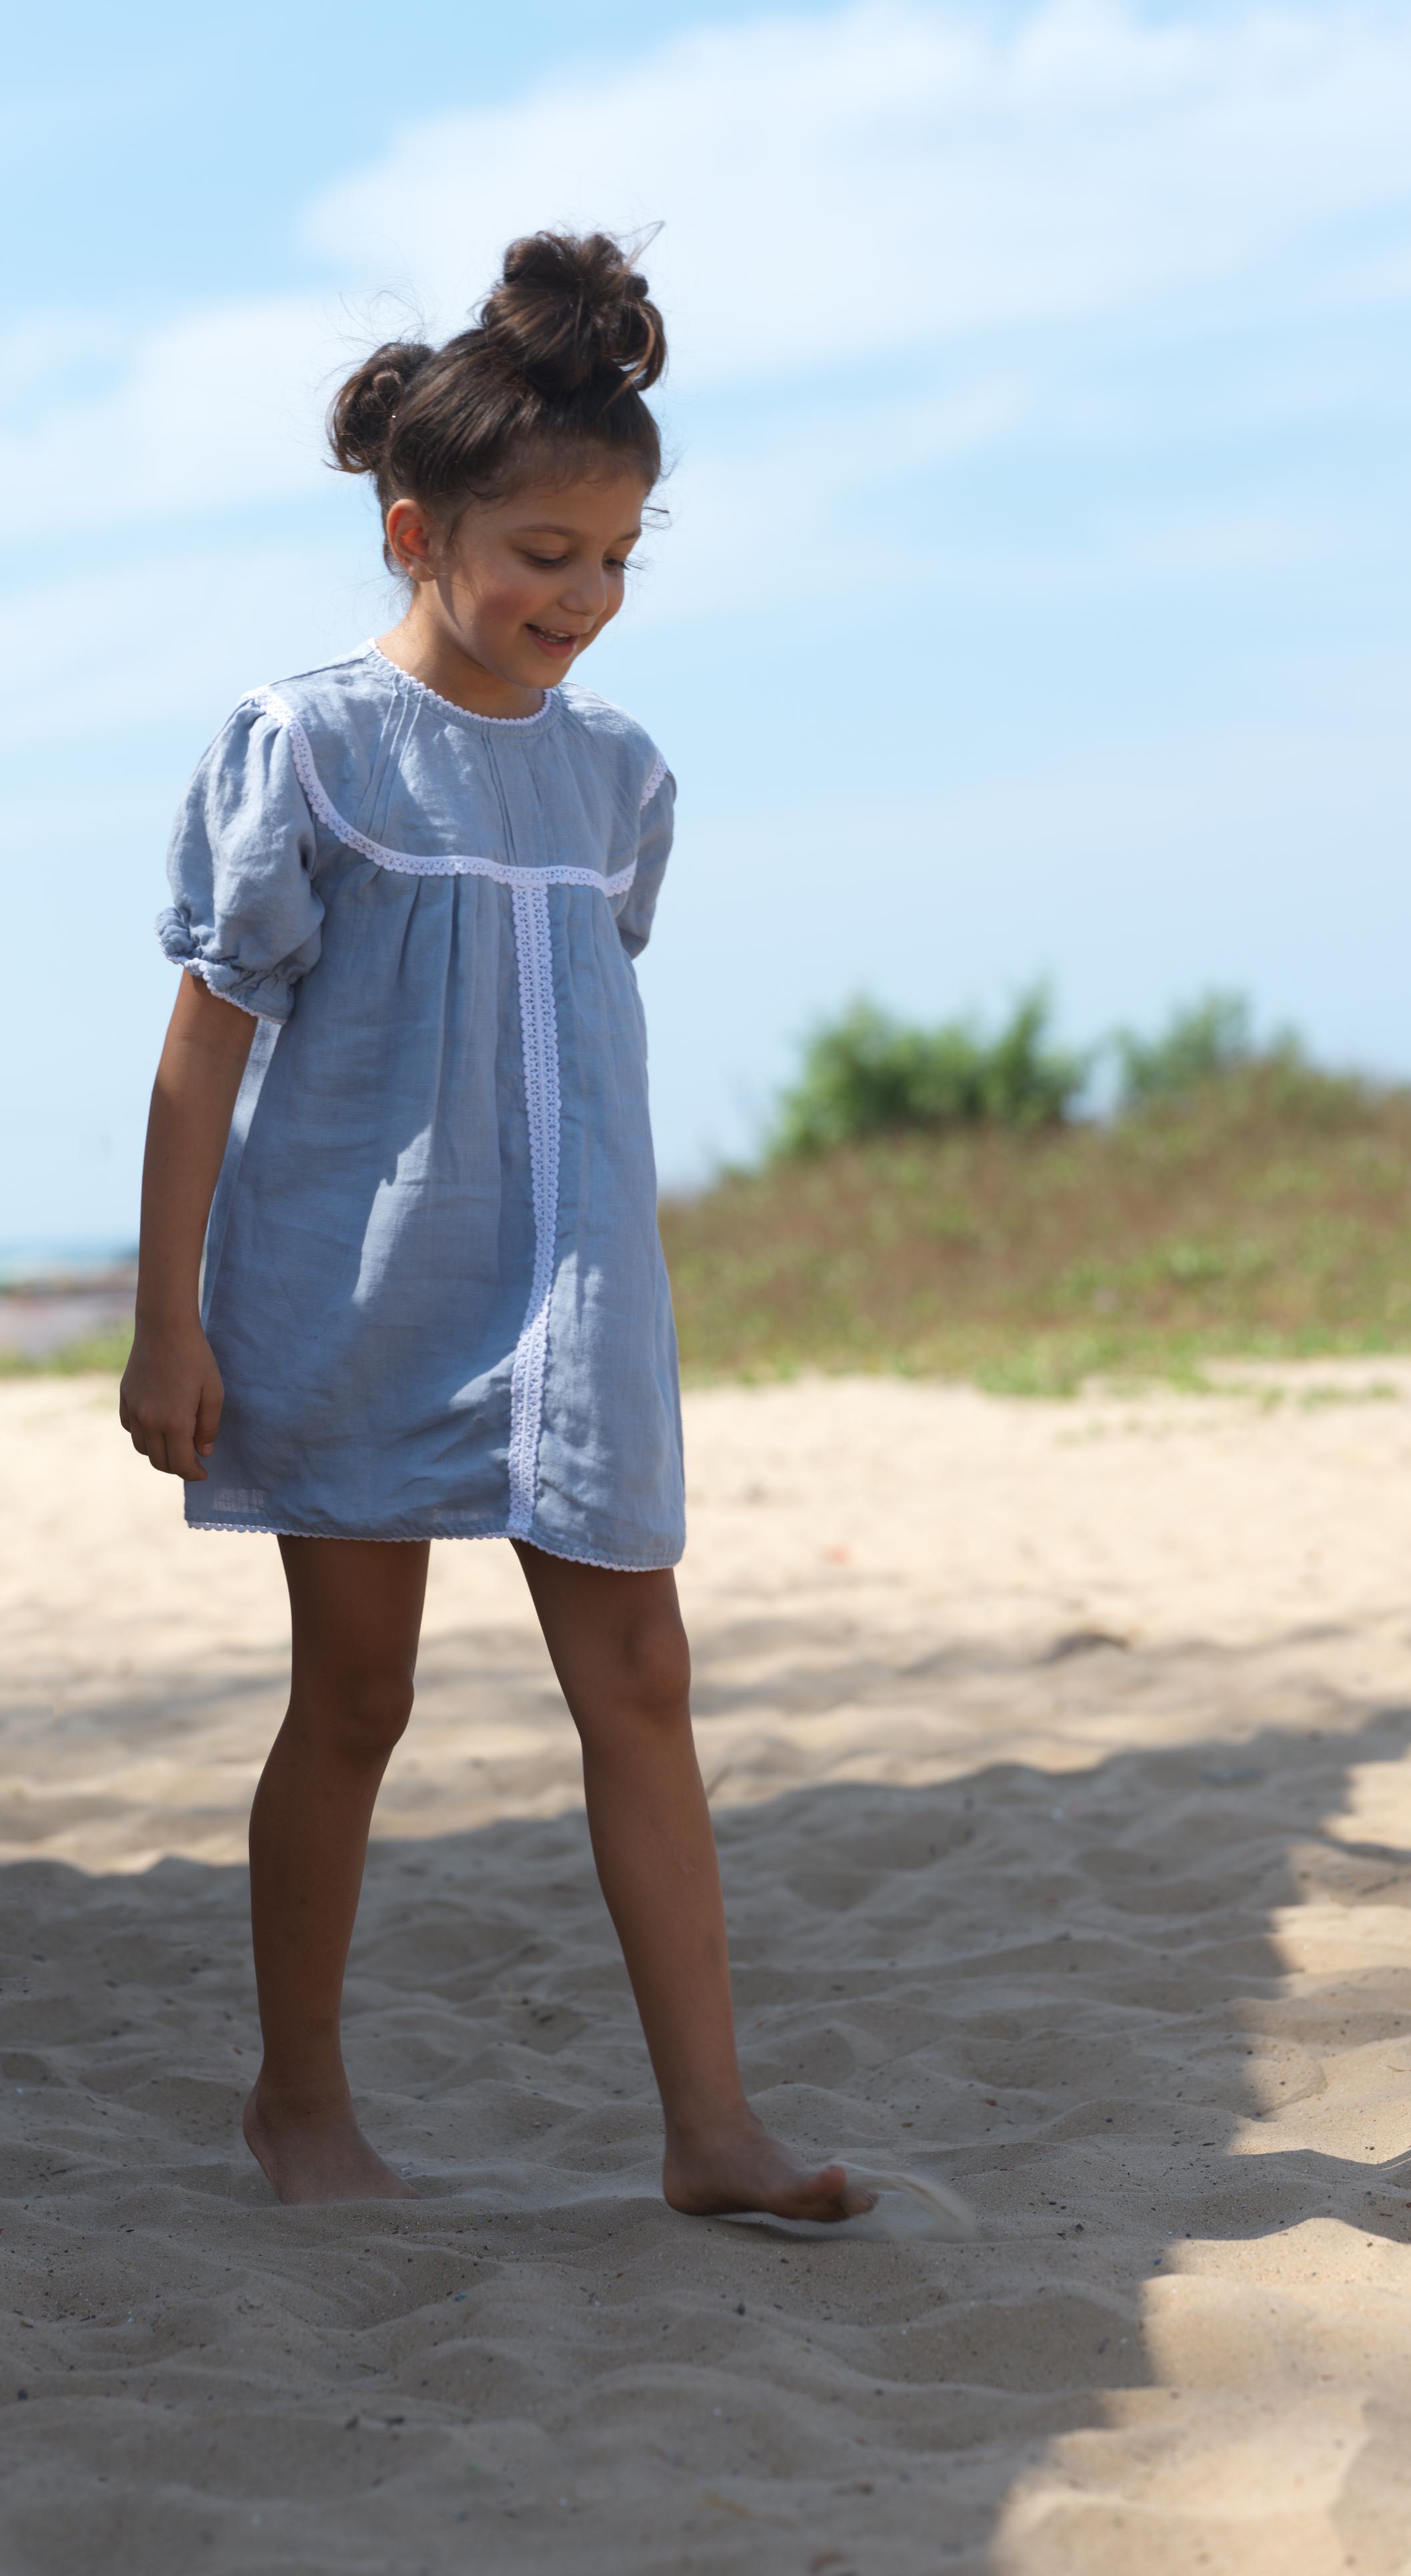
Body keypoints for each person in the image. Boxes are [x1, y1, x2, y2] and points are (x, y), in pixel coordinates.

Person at [120, 231, 870, 2223]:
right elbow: (201, 1054)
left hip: (583, 1300)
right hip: (355, 1292)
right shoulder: (306, 748)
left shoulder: (618, 779)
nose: (583, 597)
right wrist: (166, 1321)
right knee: (357, 1699)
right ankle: (298, 2104)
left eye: (616, 558)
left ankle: (711, 2133)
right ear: (415, 533)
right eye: (545, 552)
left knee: (642, 1681)